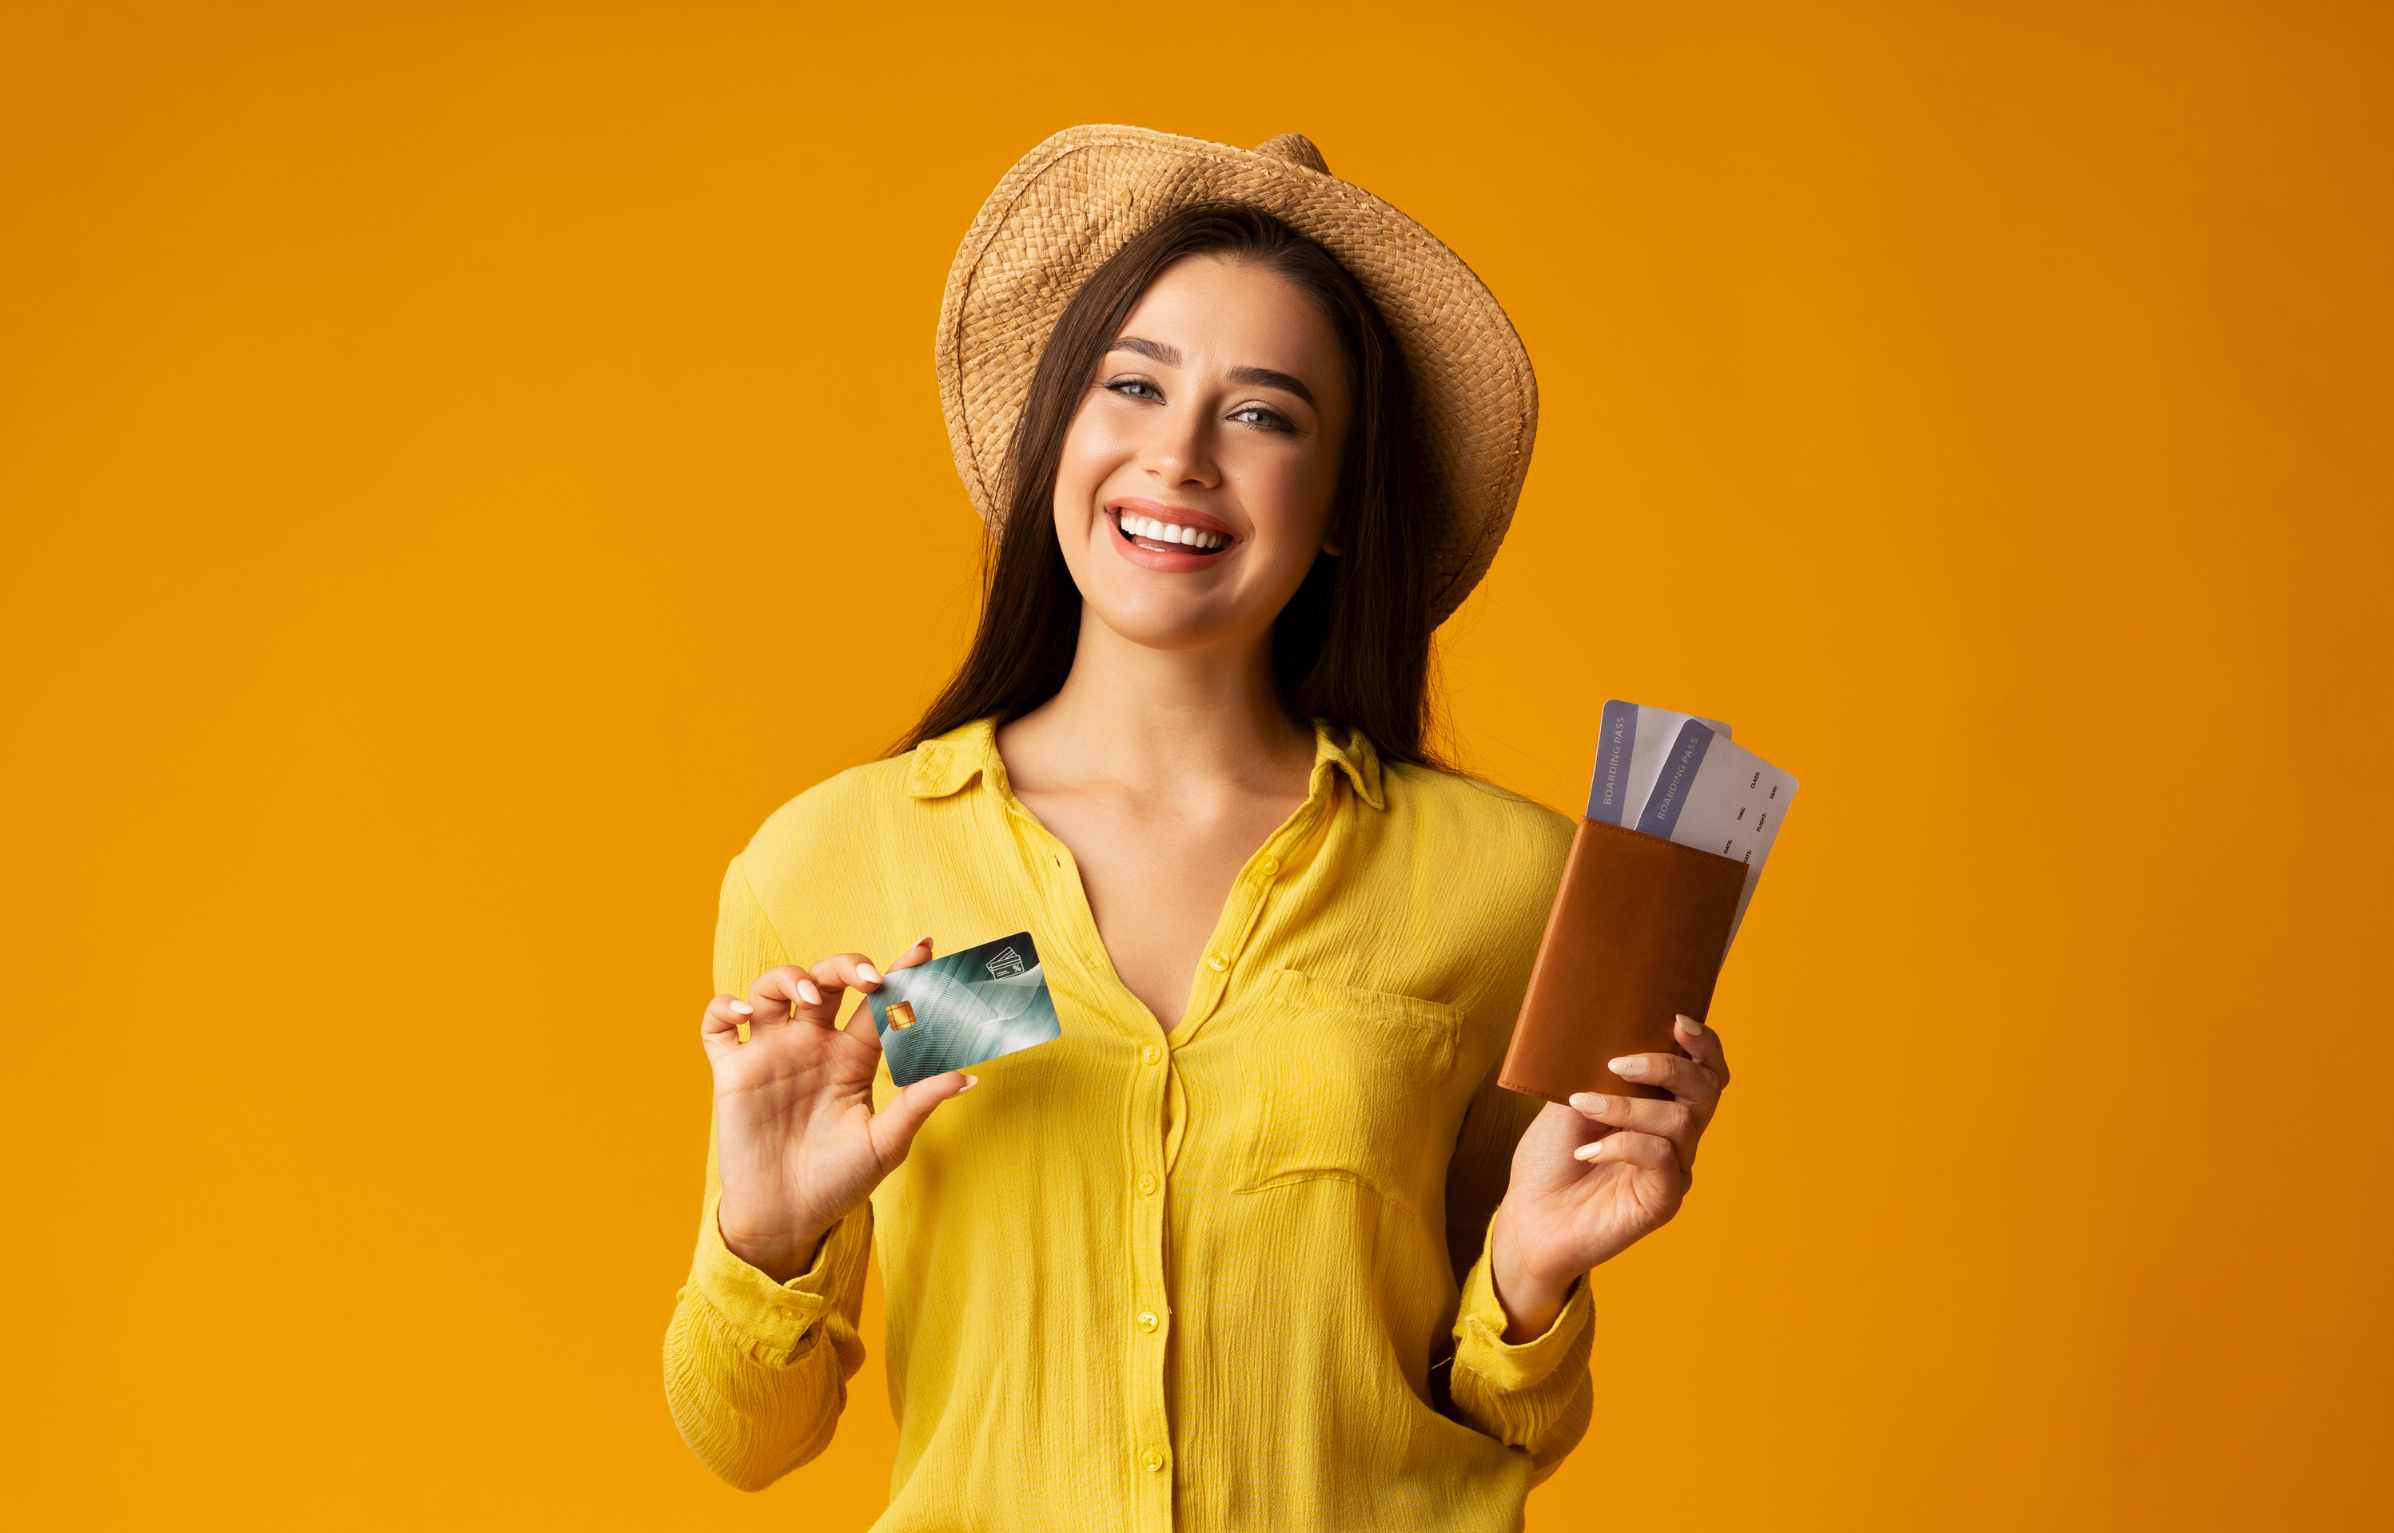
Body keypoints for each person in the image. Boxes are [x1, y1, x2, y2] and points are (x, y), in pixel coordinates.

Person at [662, 125, 1735, 1529]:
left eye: (1264, 413)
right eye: (1133, 384)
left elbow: (1495, 1422)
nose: (1177, 455)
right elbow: (745, 1439)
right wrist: (772, 1228)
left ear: (1343, 498)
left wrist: (1528, 1280)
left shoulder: (1504, 885)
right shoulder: (835, 865)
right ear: (1061, 428)